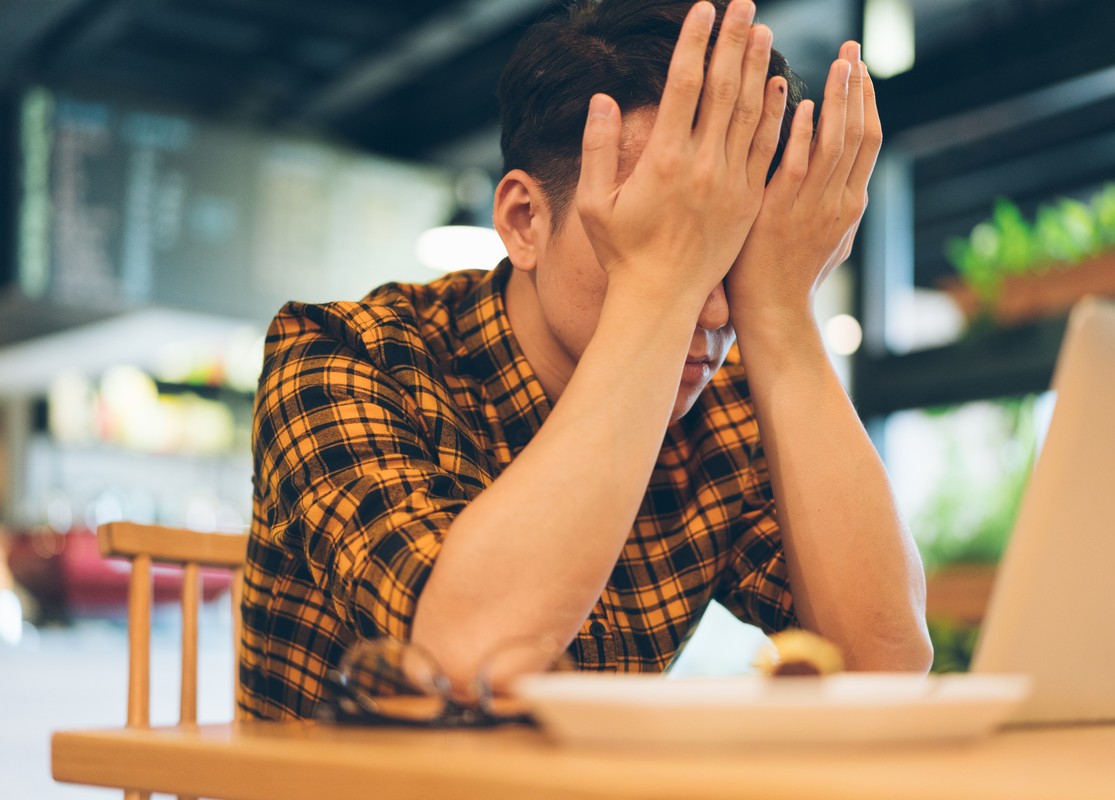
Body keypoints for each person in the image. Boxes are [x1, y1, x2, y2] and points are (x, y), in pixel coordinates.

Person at [240, 0, 933, 720]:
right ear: (524, 221)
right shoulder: (342, 355)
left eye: (728, 247)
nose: (715, 310)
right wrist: (658, 286)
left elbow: (883, 665)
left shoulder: (717, 409)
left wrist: (785, 315)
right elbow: (470, 655)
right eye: (655, 229)